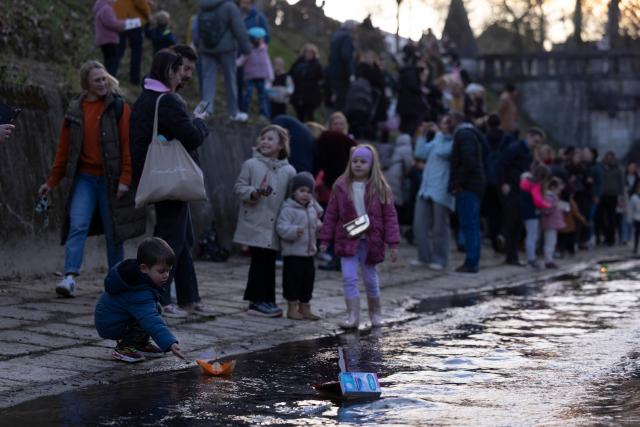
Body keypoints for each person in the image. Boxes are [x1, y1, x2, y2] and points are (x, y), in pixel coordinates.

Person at [39, 60, 145, 298]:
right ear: (86, 84)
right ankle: (69, 277)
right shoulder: (75, 110)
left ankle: (115, 280)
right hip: (85, 179)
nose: (102, 83)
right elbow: (63, 150)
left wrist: (126, 179)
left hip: (111, 181)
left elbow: (128, 147)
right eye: (96, 80)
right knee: (77, 225)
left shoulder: (119, 107)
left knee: (113, 232)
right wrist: (51, 182)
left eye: (104, 78)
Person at [130, 50, 211, 318]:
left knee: (183, 239)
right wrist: (199, 122)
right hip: (171, 179)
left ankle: (191, 297)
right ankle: (160, 300)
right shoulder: (167, 101)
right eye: (180, 70)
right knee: (170, 242)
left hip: (158, 176)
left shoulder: (146, 99)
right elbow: (191, 137)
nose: (183, 76)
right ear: (169, 71)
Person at [319, 145, 400, 329]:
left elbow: (390, 217)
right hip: (347, 240)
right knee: (348, 277)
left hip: (371, 242)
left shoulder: (380, 187)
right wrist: (325, 239)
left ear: (371, 165)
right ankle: (352, 316)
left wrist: (393, 244)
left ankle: (375, 314)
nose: (358, 165)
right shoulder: (340, 186)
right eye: (355, 161)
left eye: (363, 162)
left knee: (370, 279)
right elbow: (331, 214)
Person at [233, 125, 296, 317]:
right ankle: (256, 301)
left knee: (269, 262)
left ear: (281, 145)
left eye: (270, 139)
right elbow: (239, 188)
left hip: (274, 224)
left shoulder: (289, 171)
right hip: (255, 221)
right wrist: (254, 192)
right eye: (263, 138)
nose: (265, 142)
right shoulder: (251, 164)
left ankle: (268, 300)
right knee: (259, 262)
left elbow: (290, 198)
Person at [95, 237, 185, 363]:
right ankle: (124, 348)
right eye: (161, 271)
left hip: (115, 318)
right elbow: (151, 319)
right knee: (146, 317)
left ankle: (140, 343)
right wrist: (169, 342)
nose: (165, 275)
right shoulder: (138, 292)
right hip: (111, 324)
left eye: (168, 271)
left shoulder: (138, 278)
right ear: (144, 268)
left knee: (156, 308)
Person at [276, 172, 323, 320]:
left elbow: (315, 223)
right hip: (293, 253)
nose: (306, 195)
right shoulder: (288, 209)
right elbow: (281, 228)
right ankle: (291, 308)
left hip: (309, 253)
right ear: (293, 192)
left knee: (307, 281)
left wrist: (319, 227)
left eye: (309, 192)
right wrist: (294, 231)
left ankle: (305, 307)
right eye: (302, 191)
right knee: (292, 281)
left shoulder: (311, 209)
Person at [314, 112, 357, 271]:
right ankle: (333, 255)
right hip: (327, 189)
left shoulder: (350, 143)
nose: (338, 127)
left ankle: (342, 257)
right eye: (335, 123)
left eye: (341, 123)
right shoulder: (325, 142)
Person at [194, 0, 251, 120]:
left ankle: (205, 111)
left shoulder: (203, 6)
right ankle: (233, 113)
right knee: (230, 80)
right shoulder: (229, 6)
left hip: (206, 48)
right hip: (227, 48)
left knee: (207, 80)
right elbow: (238, 28)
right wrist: (247, 49)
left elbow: (196, 26)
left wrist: (198, 44)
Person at [412, 117, 454, 270]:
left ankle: (439, 259)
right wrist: (422, 135)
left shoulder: (453, 141)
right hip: (426, 188)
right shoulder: (438, 139)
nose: (444, 125)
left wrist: (437, 134)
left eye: (447, 122)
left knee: (439, 228)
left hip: (442, 190)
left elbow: (444, 152)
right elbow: (420, 153)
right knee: (419, 225)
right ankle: (423, 256)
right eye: (443, 122)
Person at [499, 127, 545, 265]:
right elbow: (502, 164)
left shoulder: (529, 152)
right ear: (529, 136)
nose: (536, 144)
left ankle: (513, 256)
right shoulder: (515, 148)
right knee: (512, 221)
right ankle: (510, 255)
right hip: (512, 188)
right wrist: (504, 182)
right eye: (535, 141)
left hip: (521, 190)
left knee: (517, 222)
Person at [448, 114, 486, 274]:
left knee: (469, 224)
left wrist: (458, 183)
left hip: (468, 186)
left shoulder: (464, 135)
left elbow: (468, 160)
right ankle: (472, 260)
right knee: (472, 224)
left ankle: (471, 262)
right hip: (474, 184)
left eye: (449, 121)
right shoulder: (471, 135)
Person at [519, 165, 552, 269]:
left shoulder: (524, 181)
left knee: (529, 235)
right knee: (533, 236)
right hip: (532, 212)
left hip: (523, 211)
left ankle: (530, 257)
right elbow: (537, 201)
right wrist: (548, 205)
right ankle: (531, 259)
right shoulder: (535, 185)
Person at [114, 0, 151, 85]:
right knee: (136, 51)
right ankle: (134, 79)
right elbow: (140, 2)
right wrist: (148, 15)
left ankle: (112, 72)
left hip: (119, 19)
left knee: (119, 49)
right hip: (133, 21)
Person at [239, 27, 273, 119]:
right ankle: (244, 112)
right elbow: (241, 60)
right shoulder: (248, 50)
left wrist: (270, 75)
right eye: (258, 38)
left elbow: (267, 63)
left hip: (261, 76)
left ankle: (264, 114)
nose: (260, 40)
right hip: (250, 76)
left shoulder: (264, 49)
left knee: (262, 95)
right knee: (248, 94)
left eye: (261, 38)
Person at [93, 0, 130, 78]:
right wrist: (125, 24)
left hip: (104, 39)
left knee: (108, 61)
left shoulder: (100, 8)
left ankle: (107, 80)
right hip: (109, 39)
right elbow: (112, 24)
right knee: (112, 63)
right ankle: (110, 82)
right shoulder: (106, 9)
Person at [594, 151, 624, 246]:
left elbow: (621, 184)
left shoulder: (618, 169)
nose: (609, 160)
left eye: (611, 158)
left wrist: (621, 197)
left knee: (612, 218)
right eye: (608, 158)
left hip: (613, 196)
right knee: (601, 217)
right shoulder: (602, 168)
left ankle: (611, 239)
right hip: (603, 195)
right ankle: (605, 236)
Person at [289, 44, 324, 122]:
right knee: (299, 115)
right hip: (298, 93)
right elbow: (291, 74)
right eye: (307, 52)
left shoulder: (317, 65)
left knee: (309, 115)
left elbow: (322, 78)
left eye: (311, 52)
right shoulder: (298, 63)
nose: (308, 54)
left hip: (311, 95)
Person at [327, 20, 356, 111]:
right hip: (342, 74)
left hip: (333, 71)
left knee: (335, 97)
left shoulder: (336, 35)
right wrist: (351, 74)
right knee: (341, 101)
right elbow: (346, 56)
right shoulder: (347, 37)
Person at [541, 177, 565, 269]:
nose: (559, 191)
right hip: (550, 223)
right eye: (558, 188)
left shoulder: (552, 197)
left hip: (552, 223)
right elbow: (546, 210)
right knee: (550, 242)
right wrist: (554, 206)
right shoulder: (549, 197)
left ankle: (550, 259)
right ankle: (549, 261)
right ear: (553, 188)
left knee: (552, 242)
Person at [630, 183, 640, 254]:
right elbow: (632, 208)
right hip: (637, 218)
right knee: (636, 234)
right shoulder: (634, 197)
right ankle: (635, 247)